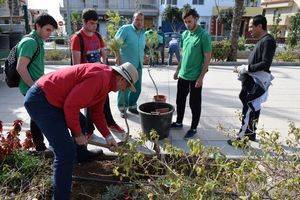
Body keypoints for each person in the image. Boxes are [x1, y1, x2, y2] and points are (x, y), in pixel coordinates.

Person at [24, 62, 138, 199]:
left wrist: (108, 137)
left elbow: (97, 113)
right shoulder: (100, 78)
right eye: (127, 86)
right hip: (42, 100)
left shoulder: (107, 81)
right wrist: (77, 134)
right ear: (122, 79)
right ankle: (61, 197)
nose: (124, 90)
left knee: (82, 122)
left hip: (55, 99)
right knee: (65, 152)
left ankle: (81, 154)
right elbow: (71, 106)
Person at [70, 8, 125, 135]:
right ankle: (89, 130)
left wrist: (107, 70)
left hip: (100, 75)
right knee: (89, 105)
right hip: (86, 78)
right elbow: (76, 64)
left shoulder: (98, 36)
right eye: (91, 23)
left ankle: (110, 123)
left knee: (104, 100)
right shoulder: (77, 38)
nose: (94, 26)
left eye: (96, 23)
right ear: (84, 22)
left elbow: (104, 56)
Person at [228, 15, 276, 145]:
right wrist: (243, 69)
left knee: (249, 107)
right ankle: (251, 134)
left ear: (260, 26)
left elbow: (265, 63)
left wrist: (247, 68)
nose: (249, 30)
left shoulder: (268, 41)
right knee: (253, 107)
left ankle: (242, 139)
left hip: (257, 82)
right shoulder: (262, 40)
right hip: (251, 81)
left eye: (251, 26)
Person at [16, 13, 58, 152]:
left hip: (36, 85)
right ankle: (41, 146)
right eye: (47, 29)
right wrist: (35, 87)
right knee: (40, 114)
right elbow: (20, 68)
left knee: (36, 115)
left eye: (51, 30)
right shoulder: (30, 42)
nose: (49, 33)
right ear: (38, 26)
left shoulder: (36, 41)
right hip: (31, 86)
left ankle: (40, 146)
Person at [171, 8, 212, 140]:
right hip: (183, 75)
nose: (187, 24)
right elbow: (183, 55)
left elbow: (207, 58)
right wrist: (177, 70)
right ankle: (179, 122)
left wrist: (201, 77)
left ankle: (193, 128)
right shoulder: (185, 35)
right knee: (180, 101)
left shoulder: (203, 35)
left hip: (195, 77)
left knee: (195, 104)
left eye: (189, 21)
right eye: (185, 22)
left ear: (196, 19)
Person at [115, 12, 146, 117]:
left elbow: (141, 47)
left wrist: (144, 56)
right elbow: (115, 43)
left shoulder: (143, 33)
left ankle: (132, 106)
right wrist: (118, 57)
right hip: (126, 65)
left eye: (141, 20)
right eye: (137, 19)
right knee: (124, 87)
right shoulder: (126, 29)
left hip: (139, 65)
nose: (139, 22)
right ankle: (122, 108)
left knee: (137, 87)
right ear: (133, 19)